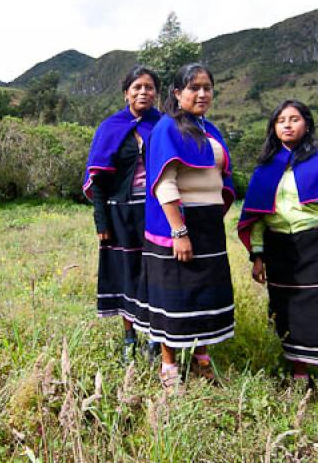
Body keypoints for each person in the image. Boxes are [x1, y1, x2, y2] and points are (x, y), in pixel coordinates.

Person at [237, 99, 318, 420]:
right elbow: (257, 219)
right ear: (273, 128)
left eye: (294, 119)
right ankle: (301, 384)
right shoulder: (265, 168)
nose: (287, 125)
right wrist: (258, 256)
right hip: (279, 252)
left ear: (306, 124)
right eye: (280, 120)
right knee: (288, 316)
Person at [134, 63, 235, 393]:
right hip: (178, 226)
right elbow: (164, 184)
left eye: (207, 87)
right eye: (194, 88)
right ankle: (169, 366)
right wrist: (179, 231)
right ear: (177, 94)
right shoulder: (167, 129)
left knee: (205, 294)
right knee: (174, 297)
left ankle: (202, 359)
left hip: (209, 226)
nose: (202, 93)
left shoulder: (210, 130)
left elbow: (221, 178)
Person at [83, 65, 162, 362]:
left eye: (149, 87)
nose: (143, 92)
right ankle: (130, 337)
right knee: (125, 275)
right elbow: (99, 181)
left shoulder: (165, 126)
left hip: (157, 212)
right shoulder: (110, 127)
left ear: (157, 93)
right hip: (119, 215)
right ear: (126, 93)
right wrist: (101, 221)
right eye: (137, 87)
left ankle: (155, 339)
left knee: (156, 275)